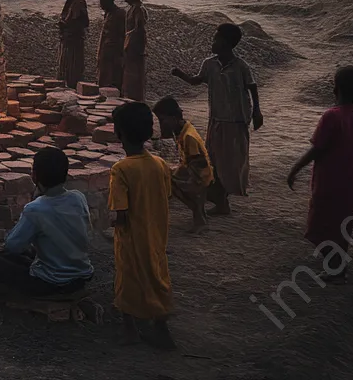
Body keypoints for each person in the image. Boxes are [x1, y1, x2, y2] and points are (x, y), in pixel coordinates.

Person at [0, 147, 94, 296]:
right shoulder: (78, 197)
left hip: (52, 282)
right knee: (29, 251)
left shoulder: (35, 209)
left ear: (34, 176)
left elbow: (12, 246)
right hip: (81, 275)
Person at [287, 66, 353, 281]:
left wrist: (296, 168)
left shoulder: (331, 117)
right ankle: (338, 262)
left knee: (320, 223)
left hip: (329, 182)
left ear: (336, 88)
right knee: (342, 222)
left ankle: (335, 267)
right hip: (352, 181)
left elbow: (317, 148)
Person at [172, 23, 263, 215]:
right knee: (214, 161)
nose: (213, 42)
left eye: (216, 39)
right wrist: (180, 74)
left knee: (230, 164)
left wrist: (256, 112)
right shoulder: (210, 64)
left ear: (227, 43)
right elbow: (197, 80)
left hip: (237, 122)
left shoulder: (240, 66)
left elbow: (252, 88)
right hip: (217, 120)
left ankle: (222, 201)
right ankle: (220, 202)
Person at [109, 102, 174, 348]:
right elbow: (164, 196)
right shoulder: (159, 164)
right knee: (157, 273)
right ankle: (160, 324)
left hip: (131, 238)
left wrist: (112, 225)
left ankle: (130, 328)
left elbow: (121, 213)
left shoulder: (121, 169)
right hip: (157, 234)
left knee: (129, 277)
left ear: (119, 134)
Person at [153, 96, 213, 232]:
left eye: (162, 121)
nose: (162, 125)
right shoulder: (184, 129)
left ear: (173, 118)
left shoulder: (188, 137)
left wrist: (177, 176)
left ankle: (199, 217)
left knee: (168, 182)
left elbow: (197, 164)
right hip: (199, 173)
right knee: (169, 177)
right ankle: (199, 212)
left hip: (199, 177)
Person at [56, 0, 89, 88]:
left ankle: (73, 87)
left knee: (73, 68)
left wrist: (66, 25)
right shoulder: (70, 1)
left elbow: (83, 22)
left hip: (74, 40)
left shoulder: (78, 2)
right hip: (67, 40)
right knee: (65, 67)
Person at [122, 0, 148, 102]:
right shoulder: (133, 8)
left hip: (134, 48)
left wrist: (127, 39)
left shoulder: (138, 9)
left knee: (135, 79)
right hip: (130, 47)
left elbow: (139, 29)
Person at [96, 0, 126, 91]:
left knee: (113, 79)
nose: (100, 5)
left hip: (114, 52)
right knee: (104, 77)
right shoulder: (108, 14)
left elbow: (122, 34)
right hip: (106, 50)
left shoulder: (119, 14)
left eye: (102, 2)